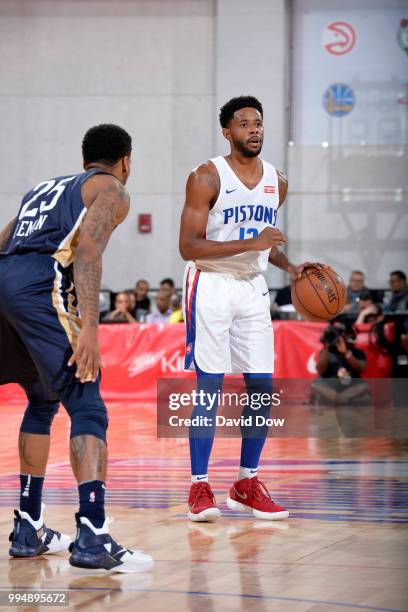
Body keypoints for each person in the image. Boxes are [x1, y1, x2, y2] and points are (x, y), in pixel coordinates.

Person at [0, 124, 152, 572]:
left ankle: (29, 528)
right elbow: (87, 252)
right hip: (37, 287)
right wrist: (89, 326)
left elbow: (2, 241)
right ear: (126, 160)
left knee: (43, 400)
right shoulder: (114, 190)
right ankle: (93, 534)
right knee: (88, 404)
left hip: (4, 284)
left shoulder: (42, 189)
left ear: (84, 156)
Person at [179, 95, 318, 522]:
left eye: (258, 122)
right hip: (211, 283)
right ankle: (199, 487)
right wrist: (251, 244)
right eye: (244, 123)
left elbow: (263, 241)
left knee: (261, 388)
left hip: (252, 287)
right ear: (227, 131)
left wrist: (291, 266)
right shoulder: (206, 176)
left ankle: (246, 482)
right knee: (210, 386)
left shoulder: (279, 180)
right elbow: (188, 247)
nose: (254, 129)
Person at [311, 323, 369, 405]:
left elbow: (361, 368)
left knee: (363, 387)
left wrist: (346, 353)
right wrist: (326, 346)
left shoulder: (357, 352)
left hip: (350, 386)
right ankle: (343, 400)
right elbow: (320, 370)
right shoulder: (326, 352)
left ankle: (337, 400)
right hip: (330, 388)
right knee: (316, 385)